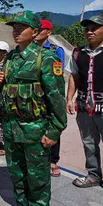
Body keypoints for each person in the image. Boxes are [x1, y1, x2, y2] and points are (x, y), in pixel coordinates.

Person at [0, 10, 67, 206]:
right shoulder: (10, 58)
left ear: (35, 32)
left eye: (21, 28)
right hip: (11, 126)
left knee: (37, 175)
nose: (16, 31)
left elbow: (56, 97)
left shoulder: (46, 59)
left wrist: (54, 130)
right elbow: (9, 92)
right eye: (14, 28)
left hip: (35, 128)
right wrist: (1, 83)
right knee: (16, 170)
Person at [66, 15, 103, 204]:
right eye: (87, 28)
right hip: (84, 107)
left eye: (94, 28)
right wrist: (69, 98)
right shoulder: (77, 53)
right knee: (89, 143)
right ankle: (93, 175)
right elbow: (73, 76)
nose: (89, 31)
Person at [35, 19, 65, 177]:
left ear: (49, 32)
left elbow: (58, 77)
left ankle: (53, 160)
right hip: (33, 97)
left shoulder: (56, 50)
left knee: (53, 126)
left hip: (49, 95)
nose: (37, 31)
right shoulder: (29, 50)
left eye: (41, 29)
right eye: (36, 28)